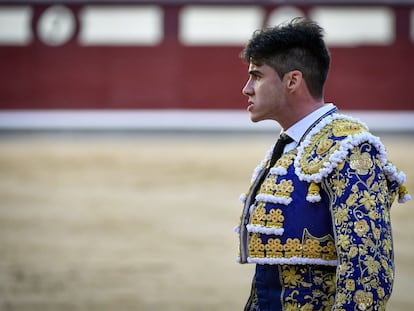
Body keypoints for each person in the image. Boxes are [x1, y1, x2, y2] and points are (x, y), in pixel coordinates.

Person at [235, 17, 411, 311]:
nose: (247, 88)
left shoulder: (351, 150)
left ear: (292, 81)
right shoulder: (292, 146)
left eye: (257, 76)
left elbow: (367, 277)